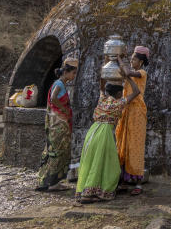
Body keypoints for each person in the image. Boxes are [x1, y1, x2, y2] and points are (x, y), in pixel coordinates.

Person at [75, 59, 139, 204]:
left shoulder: (102, 99)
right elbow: (136, 92)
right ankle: (93, 192)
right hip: (104, 133)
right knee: (108, 165)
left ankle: (87, 190)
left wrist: (106, 67)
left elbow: (101, 85)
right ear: (117, 94)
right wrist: (128, 77)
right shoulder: (118, 103)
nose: (121, 94)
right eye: (121, 92)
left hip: (93, 131)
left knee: (91, 162)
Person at [35, 58, 78, 192]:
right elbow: (53, 98)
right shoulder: (59, 84)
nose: (74, 76)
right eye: (73, 73)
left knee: (55, 151)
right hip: (58, 124)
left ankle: (49, 181)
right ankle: (52, 183)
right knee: (58, 152)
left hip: (59, 123)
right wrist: (64, 109)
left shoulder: (61, 84)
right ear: (66, 72)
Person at [115, 46, 150, 196]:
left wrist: (118, 58)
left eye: (134, 59)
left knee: (135, 146)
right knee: (123, 144)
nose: (132, 60)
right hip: (126, 111)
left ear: (141, 62)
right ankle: (123, 181)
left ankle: (138, 183)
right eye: (131, 58)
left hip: (137, 112)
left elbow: (128, 73)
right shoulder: (131, 72)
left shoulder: (142, 73)